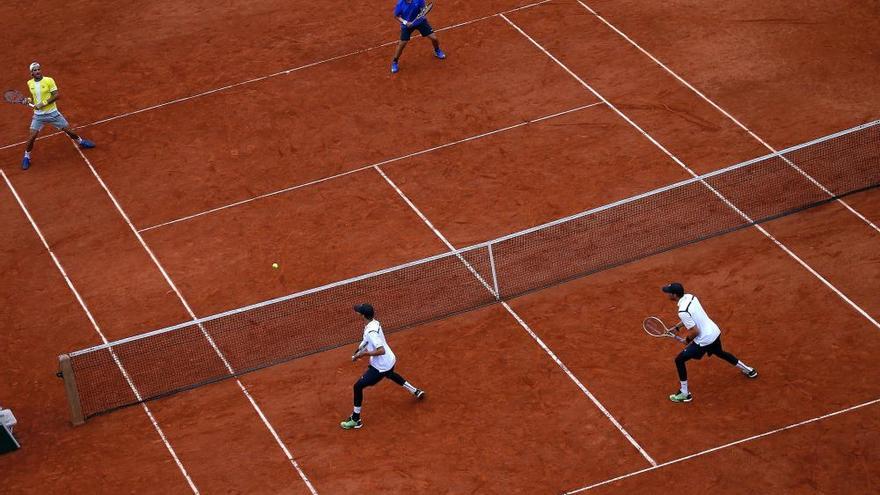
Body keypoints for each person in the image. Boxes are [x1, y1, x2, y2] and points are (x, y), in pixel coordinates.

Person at [662, 283, 758, 403]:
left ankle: (685, 393)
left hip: (705, 339)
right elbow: (692, 316)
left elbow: (695, 331)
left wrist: (686, 340)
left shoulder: (682, 311)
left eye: (668, 292)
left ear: (674, 295)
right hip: (714, 331)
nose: (666, 294)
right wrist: (677, 328)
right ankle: (749, 370)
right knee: (720, 352)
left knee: (679, 360)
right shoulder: (691, 297)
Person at [341, 303, 425, 429]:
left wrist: (363, 354)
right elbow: (367, 340)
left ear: (362, 315)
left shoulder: (371, 331)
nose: (357, 312)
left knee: (357, 387)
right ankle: (415, 391)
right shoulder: (374, 323)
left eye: (359, 312)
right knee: (390, 374)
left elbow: (381, 350)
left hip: (381, 365)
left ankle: (356, 419)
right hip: (390, 360)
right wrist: (359, 349)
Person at [21, 62, 95, 170]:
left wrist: (43, 103)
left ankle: (81, 141)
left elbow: (56, 95)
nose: (37, 71)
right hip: (38, 116)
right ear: (31, 73)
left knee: (70, 131)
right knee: (31, 137)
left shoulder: (49, 80)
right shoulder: (30, 83)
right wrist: (27, 100)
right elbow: (34, 97)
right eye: (35, 70)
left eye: (38, 69)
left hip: (53, 114)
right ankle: (26, 157)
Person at [391, 0, 446, 74]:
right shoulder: (400, 4)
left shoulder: (419, 0)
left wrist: (421, 14)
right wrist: (405, 22)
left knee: (434, 38)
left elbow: (423, 9)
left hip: (420, 22)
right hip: (406, 26)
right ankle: (395, 61)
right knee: (402, 44)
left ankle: (437, 50)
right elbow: (396, 16)